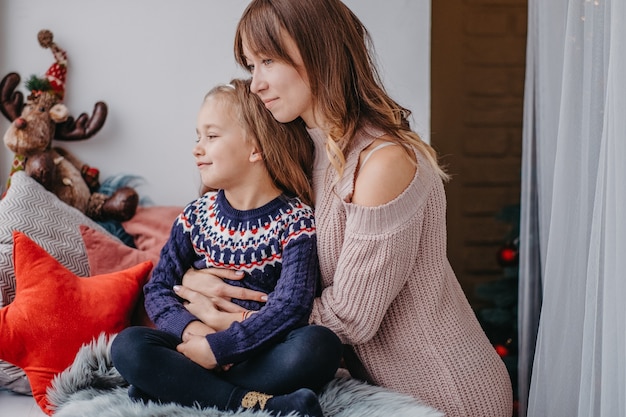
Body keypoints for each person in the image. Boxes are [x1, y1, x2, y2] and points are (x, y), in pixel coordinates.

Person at [179, 1, 515, 416]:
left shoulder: (382, 161)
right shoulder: (300, 150)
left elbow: (350, 318)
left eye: (268, 60)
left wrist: (230, 320)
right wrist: (198, 280)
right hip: (366, 392)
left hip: (441, 394)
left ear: (319, 50)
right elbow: (263, 260)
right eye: (251, 66)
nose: (256, 84)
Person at [110, 78, 342, 417]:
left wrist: (222, 348)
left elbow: (292, 306)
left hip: (261, 351)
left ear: (255, 148)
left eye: (212, 136)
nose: (197, 148)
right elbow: (158, 288)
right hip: (197, 347)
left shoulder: (296, 220)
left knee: (320, 345)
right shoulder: (196, 216)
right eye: (197, 137)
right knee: (129, 346)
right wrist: (198, 335)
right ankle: (262, 404)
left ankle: (178, 387)